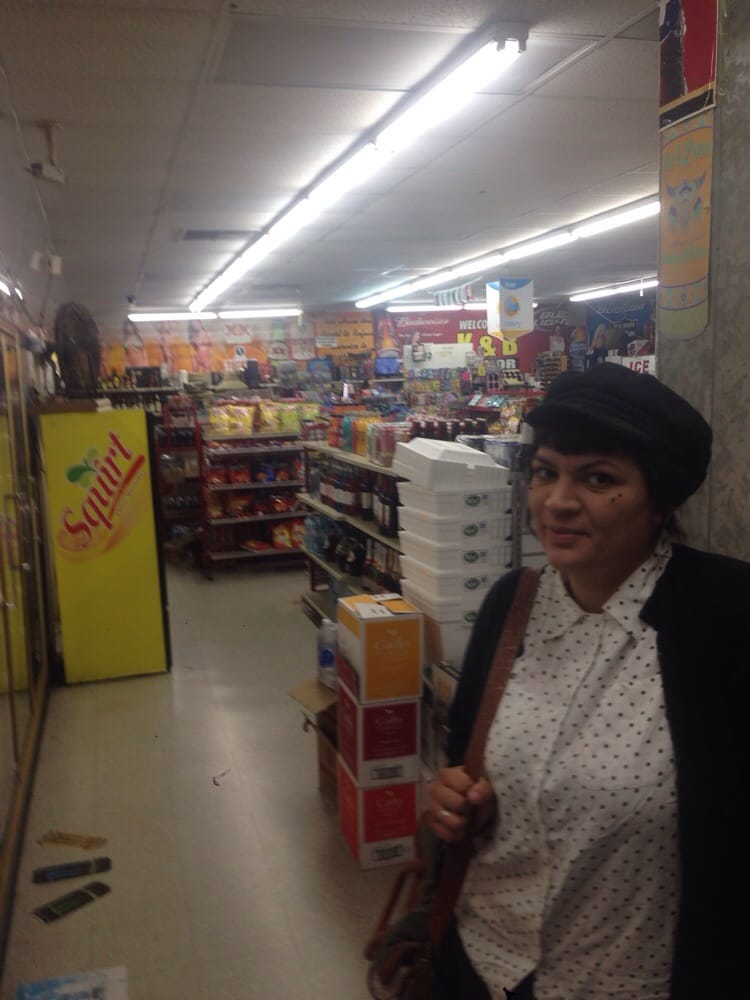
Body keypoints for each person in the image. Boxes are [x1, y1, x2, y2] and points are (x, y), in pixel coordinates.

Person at [429, 362, 748, 999]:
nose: (558, 501)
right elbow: (465, 765)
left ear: (660, 500)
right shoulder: (510, 605)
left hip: (632, 980)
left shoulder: (726, 616)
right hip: (486, 964)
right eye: (546, 471)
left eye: (599, 478)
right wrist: (461, 802)